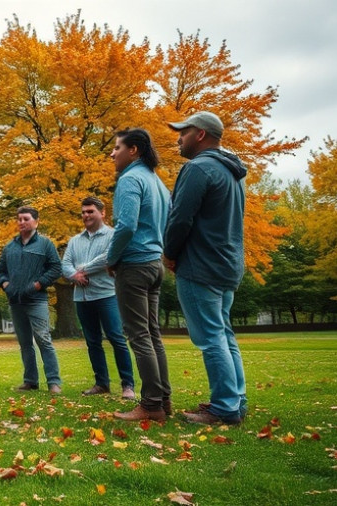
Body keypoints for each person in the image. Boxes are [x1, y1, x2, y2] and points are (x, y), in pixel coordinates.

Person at [165, 111, 248, 425]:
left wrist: (170, 253)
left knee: (211, 337)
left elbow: (180, 218)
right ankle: (233, 400)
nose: (178, 138)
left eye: (183, 132)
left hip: (201, 265)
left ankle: (225, 407)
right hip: (227, 265)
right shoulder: (232, 171)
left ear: (200, 134)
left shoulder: (198, 168)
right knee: (224, 334)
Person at [106, 128, 171, 422]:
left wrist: (111, 258)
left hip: (134, 265)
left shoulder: (131, 179)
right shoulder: (157, 182)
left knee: (139, 335)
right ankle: (163, 401)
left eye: (117, 147)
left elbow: (127, 225)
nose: (112, 153)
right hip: (155, 263)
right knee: (153, 335)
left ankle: (152, 404)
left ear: (133, 150)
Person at [62, 196, 136, 400]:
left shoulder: (113, 236)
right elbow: (65, 264)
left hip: (107, 295)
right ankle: (101, 383)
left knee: (116, 338)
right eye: (83, 212)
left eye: (90, 211)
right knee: (92, 342)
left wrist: (80, 270)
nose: (86, 215)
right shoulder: (75, 241)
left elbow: (107, 258)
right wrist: (73, 275)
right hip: (82, 298)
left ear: (102, 213)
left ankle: (128, 385)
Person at [0, 206, 63, 394]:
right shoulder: (10, 247)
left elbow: (56, 268)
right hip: (15, 302)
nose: (21, 222)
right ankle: (30, 381)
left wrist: (38, 285)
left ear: (36, 221)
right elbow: (0, 272)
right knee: (25, 343)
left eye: (25, 219)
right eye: (19, 219)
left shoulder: (45, 244)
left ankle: (54, 382)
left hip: (37, 301)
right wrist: (6, 284)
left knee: (43, 340)